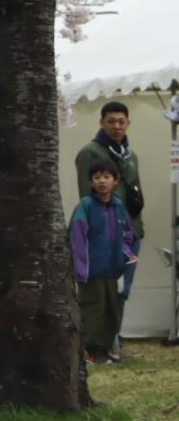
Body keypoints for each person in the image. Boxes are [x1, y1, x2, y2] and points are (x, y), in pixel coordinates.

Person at [74, 101, 144, 359]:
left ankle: (114, 343)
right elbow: (87, 197)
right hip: (102, 237)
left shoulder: (130, 154)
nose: (116, 126)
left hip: (130, 231)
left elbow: (136, 192)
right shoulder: (90, 153)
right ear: (101, 122)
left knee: (121, 291)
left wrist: (136, 227)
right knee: (98, 296)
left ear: (127, 123)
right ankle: (97, 347)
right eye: (111, 121)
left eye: (121, 121)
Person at [69, 157, 138, 365]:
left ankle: (105, 350)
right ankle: (91, 352)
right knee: (93, 311)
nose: (102, 181)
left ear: (115, 181)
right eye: (97, 177)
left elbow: (128, 234)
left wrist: (126, 254)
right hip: (91, 270)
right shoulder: (85, 206)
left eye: (106, 177)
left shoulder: (118, 206)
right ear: (90, 182)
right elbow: (77, 238)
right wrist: (81, 269)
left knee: (112, 311)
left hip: (113, 270)